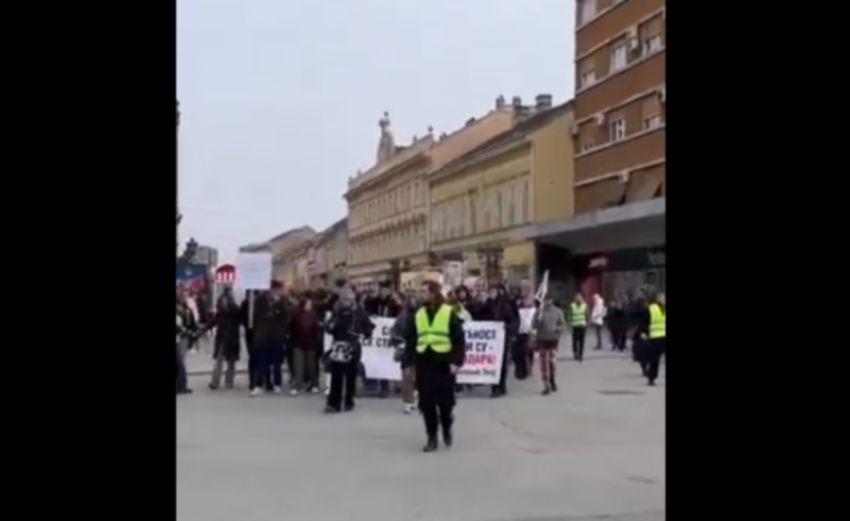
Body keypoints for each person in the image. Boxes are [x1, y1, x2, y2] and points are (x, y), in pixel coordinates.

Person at [402, 281, 466, 452]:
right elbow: (410, 339)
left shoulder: (448, 312)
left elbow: (459, 340)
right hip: (424, 363)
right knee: (426, 403)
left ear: (433, 293)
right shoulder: (418, 314)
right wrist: (407, 362)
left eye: (424, 291)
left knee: (445, 404)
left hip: (444, 363)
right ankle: (432, 437)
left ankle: (446, 427)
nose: (421, 295)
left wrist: (456, 361)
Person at [324, 289, 375, 413]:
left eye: (348, 299)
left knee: (351, 375)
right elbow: (330, 327)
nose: (346, 301)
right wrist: (329, 326)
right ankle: (334, 403)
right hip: (338, 346)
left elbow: (369, 326)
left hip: (353, 345)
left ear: (352, 300)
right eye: (344, 299)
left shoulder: (359, 312)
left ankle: (349, 401)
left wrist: (364, 333)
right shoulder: (336, 312)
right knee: (336, 376)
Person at [251, 281, 291, 397]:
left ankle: (277, 384)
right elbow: (257, 316)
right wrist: (271, 312)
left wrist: (278, 306)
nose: (278, 292)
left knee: (277, 363)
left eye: (279, 290)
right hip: (263, 336)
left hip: (277, 336)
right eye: (276, 289)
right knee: (262, 363)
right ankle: (258, 385)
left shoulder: (282, 301)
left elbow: (285, 316)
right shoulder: (260, 300)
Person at [532, 296, 567, 395]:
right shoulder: (539, 312)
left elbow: (563, 325)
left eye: (549, 300)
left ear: (552, 300)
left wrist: (557, 329)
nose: (547, 302)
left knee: (552, 360)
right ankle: (545, 383)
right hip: (542, 339)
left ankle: (552, 379)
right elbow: (533, 325)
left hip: (553, 339)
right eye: (545, 300)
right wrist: (537, 321)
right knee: (543, 362)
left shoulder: (558, 311)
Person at [488, 284, 518, 398]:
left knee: (502, 363)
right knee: (492, 362)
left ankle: (501, 386)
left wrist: (509, 328)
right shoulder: (489, 304)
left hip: (503, 337)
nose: (493, 293)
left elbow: (515, 319)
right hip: (491, 338)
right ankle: (495, 387)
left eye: (495, 291)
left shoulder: (508, 303)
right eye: (491, 291)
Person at [208, 289, 241, 390]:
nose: (223, 302)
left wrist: (229, 307)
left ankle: (229, 381)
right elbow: (212, 322)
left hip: (232, 340)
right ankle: (215, 382)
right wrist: (203, 329)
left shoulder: (235, 310)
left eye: (225, 300)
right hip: (222, 339)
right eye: (222, 300)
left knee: (231, 362)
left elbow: (238, 315)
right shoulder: (220, 312)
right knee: (219, 360)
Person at [391, 294, 418, 414]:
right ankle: (408, 402)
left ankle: (415, 397)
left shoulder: (422, 316)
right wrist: (398, 343)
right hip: (406, 349)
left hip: (418, 349)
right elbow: (394, 332)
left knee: (417, 376)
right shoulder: (402, 317)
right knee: (406, 376)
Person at [290, 296, 322, 395]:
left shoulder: (314, 316)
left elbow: (317, 331)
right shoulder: (296, 315)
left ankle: (314, 384)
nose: (309, 306)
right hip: (298, 343)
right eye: (307, 304)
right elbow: (292, 328)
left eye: (310, 304)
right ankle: (298, 385)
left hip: (310, 343)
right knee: (298, 366)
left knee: (311, 366)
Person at [642, 290, 666, 386]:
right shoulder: (651, 308)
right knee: (654, 359)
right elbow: (645, 321)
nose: (664, 300)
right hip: (655, 337)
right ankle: (651, 377)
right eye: (662, 298)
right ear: (658, 299)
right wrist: (643, 332)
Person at [176, 294, 196, 395]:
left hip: (180, 338)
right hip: (179, 339)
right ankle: (181, 387)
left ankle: (180, 386)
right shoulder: (180, 310)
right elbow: (179, 326)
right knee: (180, 364)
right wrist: (189, 332)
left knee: (179, 364)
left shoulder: (184, 310)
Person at [568, 293, 589, 362]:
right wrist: (569, 323)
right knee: (575, 341)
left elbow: (587, 315)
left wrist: (587, 323)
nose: (578, 299)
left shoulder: (584, 305)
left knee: (581, 341)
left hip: (582, 326)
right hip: (575, 326)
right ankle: (576, 353)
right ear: (575, 299)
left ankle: (580, 355)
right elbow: (569, 315)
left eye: (579, 297)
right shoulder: (572, 306)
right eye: (577, 298)